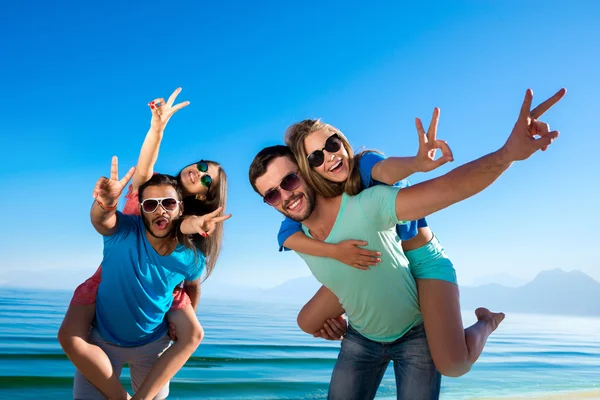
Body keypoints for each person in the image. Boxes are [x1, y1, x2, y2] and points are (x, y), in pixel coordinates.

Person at [249, 88, 564, 399]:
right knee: (308, 320)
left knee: (453, 363)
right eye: (272, 194)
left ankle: (486, 323)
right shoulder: (295, 223)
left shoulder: (366, 184)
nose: (286, 195)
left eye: (290, 181)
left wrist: (500, 155)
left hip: (422, 268)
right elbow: (297, 240)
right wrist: (330, 307)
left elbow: (441, 186)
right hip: (374, 293)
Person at [58, 88, 229, 399]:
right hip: (120, 267)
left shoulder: (191, 235)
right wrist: (157, 129)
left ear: (203, 198)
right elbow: (142, 171)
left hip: (162, 289)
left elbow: (191, 267)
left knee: (192, 332)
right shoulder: (151, 192)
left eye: (208, 180)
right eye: (203, 165)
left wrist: (183, 317)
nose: (200, 172)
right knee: (76, 329)